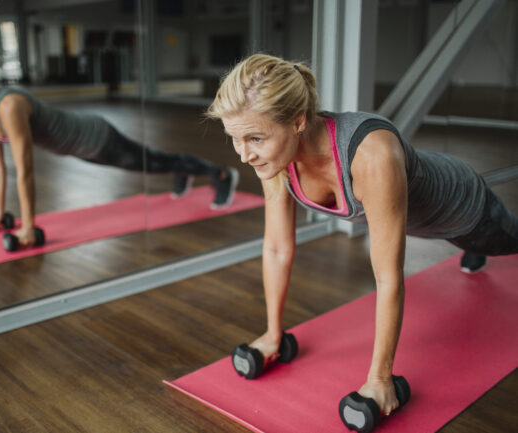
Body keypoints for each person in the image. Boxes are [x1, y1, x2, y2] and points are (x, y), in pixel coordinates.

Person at [206, 54, 518, 416]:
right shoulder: (274, 161)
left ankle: (475, 248)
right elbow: (276, 249)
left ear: (298, 121)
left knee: (506, 243)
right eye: (235, 139)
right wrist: (273, 336)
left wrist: (381, 381)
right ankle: (470, 252)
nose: (244, 155)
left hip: (463, 208)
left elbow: (388, 278)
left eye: (254, 138)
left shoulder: (372, 155)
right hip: (415, 221)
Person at [0, 60, 239, 246]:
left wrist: (28, 228)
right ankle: (182, 170)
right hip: (81, 148)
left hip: (97, 139)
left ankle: (221, 173)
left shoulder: (8, 105)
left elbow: (25, 169)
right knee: (153, 162)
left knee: (154, 162)